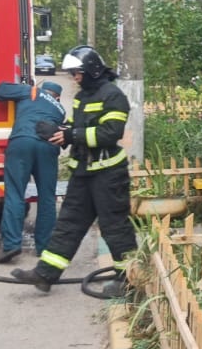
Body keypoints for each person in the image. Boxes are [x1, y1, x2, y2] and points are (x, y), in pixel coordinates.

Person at [12, 46, 136, 297]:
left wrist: (72, 134)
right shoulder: (82, 97)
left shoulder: (113, 96)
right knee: (68, 224)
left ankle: (129, 280)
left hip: (108, 174)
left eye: (77, 73)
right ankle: (45, 274)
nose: (74, 78)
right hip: (83, 172)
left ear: (92, 69)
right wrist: (60, 132)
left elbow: (111, 133)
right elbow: (78, 128)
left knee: (115, 227)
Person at [0, 80, 66, 264]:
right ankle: (44, 246)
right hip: (48, 147)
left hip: (22, 142)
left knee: (15, 193)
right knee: (47, 197)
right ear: (58, 96)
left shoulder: (31, 91)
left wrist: (18, 85)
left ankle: (11, 245)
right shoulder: (60, 109)